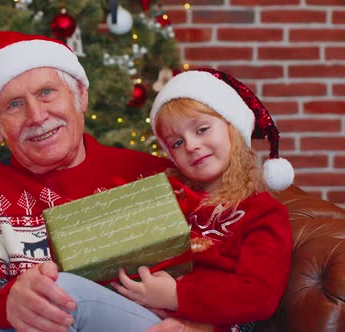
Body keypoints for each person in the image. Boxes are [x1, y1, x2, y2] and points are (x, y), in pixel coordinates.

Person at [0, 31, 213, 332]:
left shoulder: (157, 177)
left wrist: (198, 327)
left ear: (80, 96)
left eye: (47, 92)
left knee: (60, 293)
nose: (36, 116)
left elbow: (247, 282)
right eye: (14, 105)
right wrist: (4, 305)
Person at [111, 68, 294, 331]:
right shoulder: (169, 199)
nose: (191, 145)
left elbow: (259, 295)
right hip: (142, 309)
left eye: (202, 129)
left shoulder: (263, 212)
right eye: (176, 143)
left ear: (233, 128)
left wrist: (175, 296)